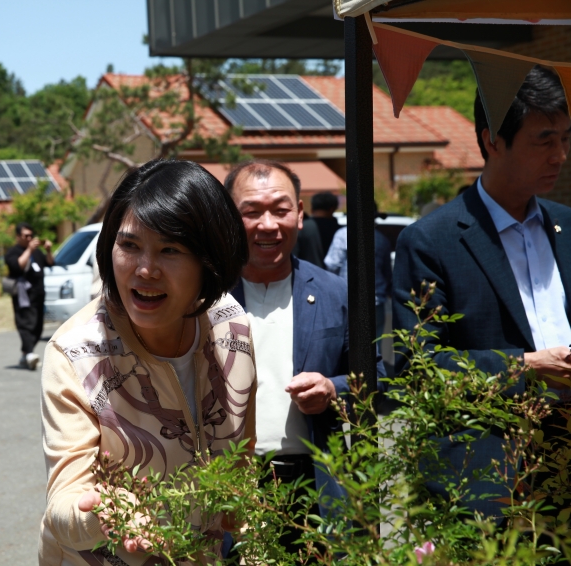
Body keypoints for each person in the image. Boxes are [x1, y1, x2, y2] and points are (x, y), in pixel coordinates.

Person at [39, 159, 256, 565]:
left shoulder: (232, 327)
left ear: (208, 261)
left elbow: (240, 464)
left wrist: (256, 547)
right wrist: (103, 512)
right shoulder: (75, 352)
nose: (144, 269)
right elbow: (63, 501)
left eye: (169, 250)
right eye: (129, 245)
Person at [392, 65, 571, 519]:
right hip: (490, 478)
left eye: (565, 139)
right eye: (544, 140)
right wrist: (527, 367)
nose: (560, 156)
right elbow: (422, 367)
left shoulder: (566, 226)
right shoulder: (432, 240)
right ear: (492, 140)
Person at [224, 159, 384, 554]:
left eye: (280, 209)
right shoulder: (204, 295)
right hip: (230, 485)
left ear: (299, 214)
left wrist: (333, 387)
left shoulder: (336, 292)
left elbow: (378, 377)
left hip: (315, 482)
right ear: (229, 218)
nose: (267, 224)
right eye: (251, 211)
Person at [323, 203, 393, 339]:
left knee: (347, 344)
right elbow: (387, 274)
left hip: (347, 299)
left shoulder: (343, 235)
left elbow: (332, 265)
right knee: (374, 345)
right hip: (375, 301)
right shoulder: (382, 239)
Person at [5, 223, 55, 370]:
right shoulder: (13, 252)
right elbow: (17, 266)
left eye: (31, 235)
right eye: (26, 235)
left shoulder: (37, 252)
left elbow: (50, 262)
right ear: (18, 237)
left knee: (38, 327)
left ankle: (25, 354)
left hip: (38, 294)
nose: (29, 238)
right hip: (22, 295)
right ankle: (30, 354)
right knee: (25, 324)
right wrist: (29, 250)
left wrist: (48, 250)